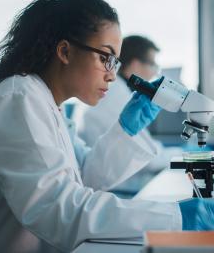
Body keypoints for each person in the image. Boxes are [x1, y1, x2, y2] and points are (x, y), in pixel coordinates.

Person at [0, 0, 214, 253]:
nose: (111, 74)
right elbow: (57, 208)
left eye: (115, 62)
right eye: (106, 58)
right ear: (65, 51)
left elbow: (84, 177)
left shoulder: (48, 105)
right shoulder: (18, 97)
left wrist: (125, 130)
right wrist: (172, 216)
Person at [75, 35, 182, 192]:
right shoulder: (114, 93)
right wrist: (184, 155)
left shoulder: (117, 90)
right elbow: (149, 160)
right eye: (152, 64)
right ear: (135, 65)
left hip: (109, 176)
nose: (154, 72)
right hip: (117, 186)